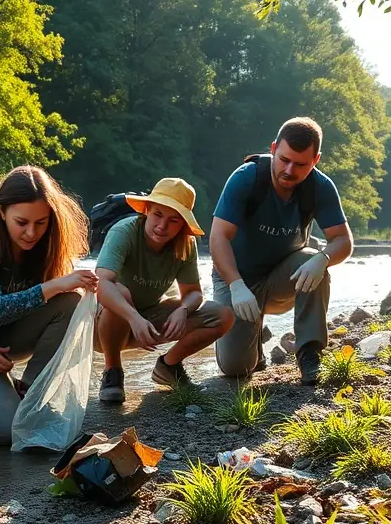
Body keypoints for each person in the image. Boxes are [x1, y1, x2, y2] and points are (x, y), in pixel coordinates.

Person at [0, 166, 96, 445]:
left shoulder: (45, 244)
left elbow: (55, 304)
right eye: (21, 222)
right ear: (1, 212)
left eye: (41, 223)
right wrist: (57, 284)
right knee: (7, 432)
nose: (31, 233)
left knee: (71, 303)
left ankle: (27, 392)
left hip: (10, 337)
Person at [210, 117, 353, 385]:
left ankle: (309, 352)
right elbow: (218, 238)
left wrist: (323, 259)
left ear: (316, 160)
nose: (289, 170)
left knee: (315, 260)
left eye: (300, 164)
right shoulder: (246, 179)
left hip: (283, 276)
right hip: (237, 279)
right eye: (284, 159)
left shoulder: (320, 187)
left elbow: (343, 241)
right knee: (236, 369)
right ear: (274, 148)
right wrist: (236, 285)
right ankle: (255, 336)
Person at [95, 178, 233, 403]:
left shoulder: (185, 244)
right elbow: (101, 283)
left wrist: (184, 309)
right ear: (147, 210)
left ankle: (169, 365)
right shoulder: (124, 231)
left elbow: (194, 292)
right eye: (157, 215)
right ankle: (112, 371)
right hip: (103, 325)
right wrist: (133, 318)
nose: (162, 226)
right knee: (121, 292)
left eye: (173, 220)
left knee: (222, 315)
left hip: (148, 321)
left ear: (182, 225)